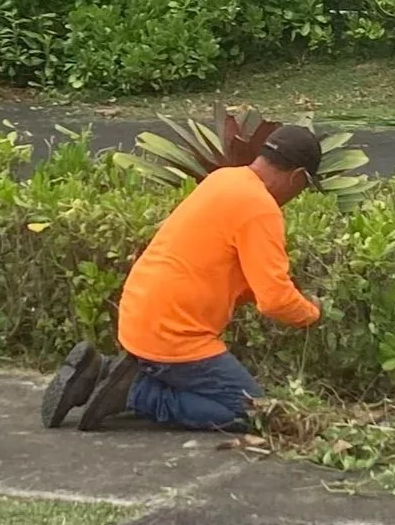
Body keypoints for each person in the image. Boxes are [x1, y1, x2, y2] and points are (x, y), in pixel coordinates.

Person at [41, 126, 322, 433]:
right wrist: (311, 313)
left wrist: (286, 295)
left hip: (139, 317)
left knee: (230, 398)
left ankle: (100, 371)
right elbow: (274, 301)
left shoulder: (224, 179)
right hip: (175, 336)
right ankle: (135, 392)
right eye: (305, 186)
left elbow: (234, 272)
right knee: (252, 413)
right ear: (297, 177)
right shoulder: (261, 208)